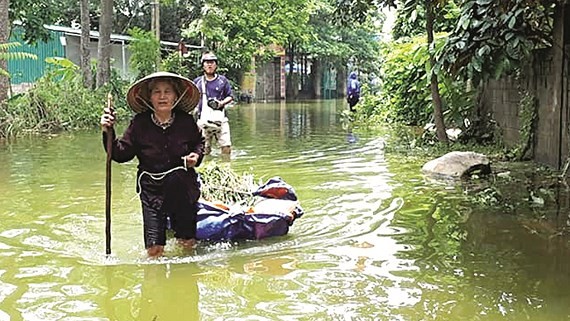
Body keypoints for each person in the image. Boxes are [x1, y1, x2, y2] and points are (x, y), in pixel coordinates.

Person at [100, 71, 204, 258]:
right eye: (156, 92)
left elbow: (200, 142)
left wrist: (195, 156)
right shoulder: (139, 124)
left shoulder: (186, 121)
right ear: (149, 98)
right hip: (152, 192)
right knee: (154, 250)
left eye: (167, 91)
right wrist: (108, 130)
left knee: (187, 244)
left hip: (183, 189)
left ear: (176, 96)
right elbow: (120, 154)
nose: (162, 96)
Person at [193, 52, 234, 157]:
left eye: (212, 62)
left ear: (216, 65)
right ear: (203, 65)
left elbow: (230, 96)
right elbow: (191, 99)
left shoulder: (222, 81)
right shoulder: (197, 82)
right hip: (203, 120)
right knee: (203, 150)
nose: (209, 65)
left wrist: (221, 103)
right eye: (207, 63)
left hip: (220, 119)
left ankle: (225, 166)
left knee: (226, 147)